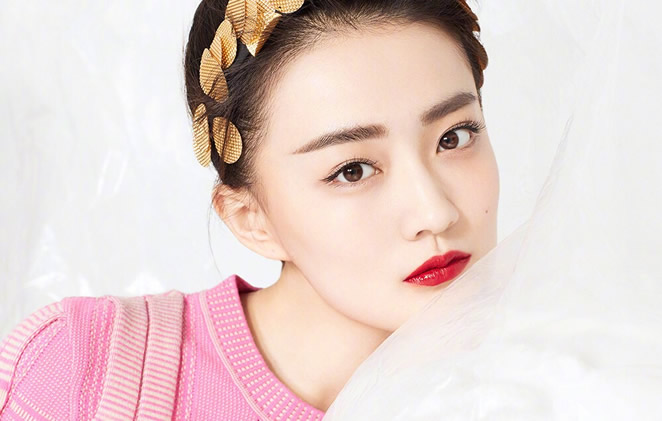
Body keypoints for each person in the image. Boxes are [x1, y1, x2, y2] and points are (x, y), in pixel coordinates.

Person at [0, 0, 499, 419]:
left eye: (454, 137)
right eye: (352, 170)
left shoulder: (529, 380)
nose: (435, 213)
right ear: (250, 219)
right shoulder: (87, 370)